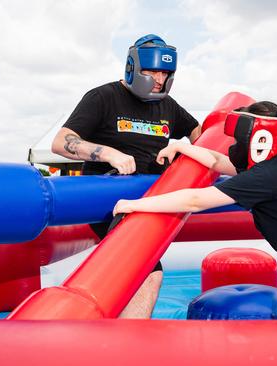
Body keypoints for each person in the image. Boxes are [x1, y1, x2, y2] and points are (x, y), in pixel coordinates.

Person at [114, 101, 277, 320]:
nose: (236, 145)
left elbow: (194, 201)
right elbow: (219, 161)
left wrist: (135, 204)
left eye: (241, 138)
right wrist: (183, 146)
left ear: (258, 139)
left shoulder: (269, 175)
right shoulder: (265, 169)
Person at [51, 34, 202, 318]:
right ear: (133, 68)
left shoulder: (168, 105)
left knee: (135, 278)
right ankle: (126, 347)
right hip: (111, 204)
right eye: (152, 71)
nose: (159, 79)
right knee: (147, 273)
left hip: (148, 204)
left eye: (165, 73)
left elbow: (199, 133)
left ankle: (118, 338)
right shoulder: (103, 97)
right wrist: (107, 153)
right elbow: (61, 142)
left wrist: (184, 152)